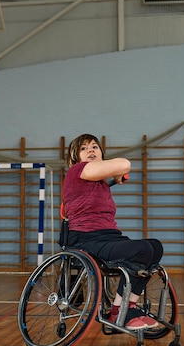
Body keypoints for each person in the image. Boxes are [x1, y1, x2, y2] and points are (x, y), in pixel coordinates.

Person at [62, 133, 163, 331]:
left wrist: (114, 177)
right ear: (75, 158)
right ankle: (120, 312)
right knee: (142, 249)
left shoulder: (99, 182)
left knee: (155, 247)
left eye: (94, 146)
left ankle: (124, 308)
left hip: (109, 236)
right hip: (87, 238)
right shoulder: (77, 170)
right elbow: (124, 164)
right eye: (84, 148)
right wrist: (117, 173)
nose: (91, 150)